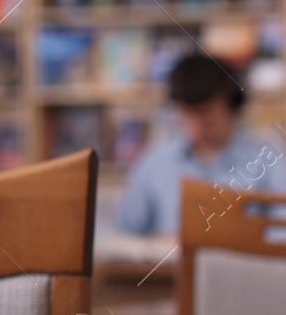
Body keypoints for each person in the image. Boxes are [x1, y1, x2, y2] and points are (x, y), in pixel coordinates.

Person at [117, 53, 286, 237]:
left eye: (208, 120)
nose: (197, 130)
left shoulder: (268, 159)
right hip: (171, 264)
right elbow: (123, 234)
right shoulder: (155, 162)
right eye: (187, 118)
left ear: (232, 107)